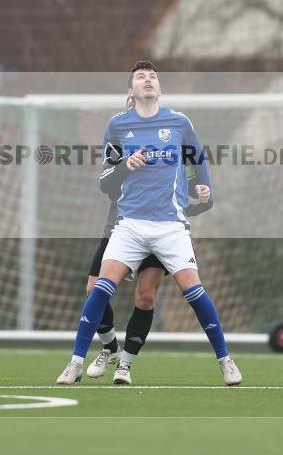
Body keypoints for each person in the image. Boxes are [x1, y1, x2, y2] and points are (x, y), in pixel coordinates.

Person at [57, 61, 241, 386]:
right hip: (129, 224)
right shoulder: (117, 126)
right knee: (99, 288)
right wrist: (126, 165)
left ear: (159, 88)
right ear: (131, 90)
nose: (148, 79)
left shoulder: (179, 122)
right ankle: (75, 363)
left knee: (193, 292)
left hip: (171, 227)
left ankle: (225, 360)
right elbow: (106, 181)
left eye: (153, 76)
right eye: (141, 76)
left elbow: (197, 159)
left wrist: (203, 188)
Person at [88, 113, 213, 384]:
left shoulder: (177, 143)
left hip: (162, 229)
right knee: (93, 289)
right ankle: (109, 347)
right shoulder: (120, 133)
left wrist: (200, 195)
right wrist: (126, 166)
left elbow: (196, 188)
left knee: (145, 296)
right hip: (121, 225)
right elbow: (106, 185)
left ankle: (125, 365)